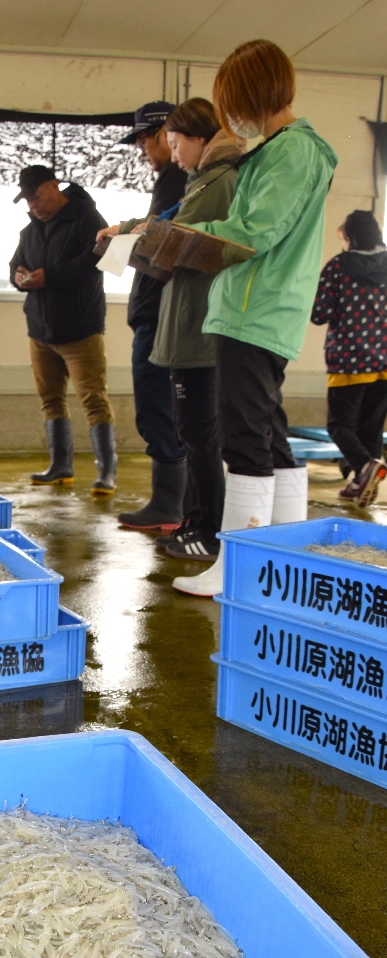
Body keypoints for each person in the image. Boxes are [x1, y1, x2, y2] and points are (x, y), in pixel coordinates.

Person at [169, 40, 337, 597]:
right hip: (264, 309)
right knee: (270, 434)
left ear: (250, 94)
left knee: (243, 438)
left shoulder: (292, 150)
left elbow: (252, 232)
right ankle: (286, 558)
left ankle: (240, 569)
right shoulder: (285, 149)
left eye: (230, 101)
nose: (229, 116)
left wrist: (180, 239)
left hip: (254, 309)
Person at [148, 99, 245, 563]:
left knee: (200, 436)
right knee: (193, 434)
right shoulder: (200, 181)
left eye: (175, 142)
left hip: (199, 330)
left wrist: (141, 239)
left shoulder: (218, 181)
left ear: (199, 138)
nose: (172, 153)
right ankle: (194, 522)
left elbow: (179, 242)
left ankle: (209, 529)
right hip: (188, 324)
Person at [98, 102, 187, 530]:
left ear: (168, 134)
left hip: (158, 315)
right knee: (169, 409)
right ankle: (174, 504)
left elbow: (161, 237)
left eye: (145, 141)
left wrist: (124, 237)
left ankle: (170, 506)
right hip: (160, 313)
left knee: (157, 407)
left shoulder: (176, 176)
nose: (144, 151)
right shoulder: (179, 180)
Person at [9, 164, 116, 496]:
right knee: (50, 399)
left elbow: (96, 262)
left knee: (93, 398)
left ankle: (107, 472)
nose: (34, 206)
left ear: (54, 186)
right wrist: (18, 276)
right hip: (40, 330)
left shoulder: (88, 219)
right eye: (27, 201)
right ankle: (60, 466)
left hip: (81, 328)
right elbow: (15, 263)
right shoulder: (29, 231)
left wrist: (49, 277)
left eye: (37, 197)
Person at [311, 209, 387, 507]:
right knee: (370, 429)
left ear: (350, 236)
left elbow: (319, 314)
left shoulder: (338, 266)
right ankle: (360, 483)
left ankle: (366, 468)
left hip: (349, 361)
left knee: (339, 426)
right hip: (384, 363)